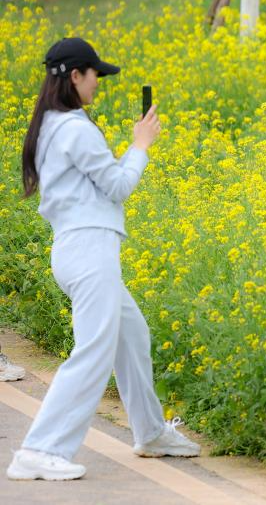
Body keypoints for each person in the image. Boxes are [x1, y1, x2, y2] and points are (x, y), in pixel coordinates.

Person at [7, 38, 200, 482]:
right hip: (90, 250)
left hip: (76, 248)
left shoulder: (51, 125)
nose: (99, 83)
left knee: (131, 335)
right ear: (76, 75)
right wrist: (141, 144)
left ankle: (151, 432)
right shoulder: (74, 127)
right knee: (93, 351)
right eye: (96, 74)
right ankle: (38, 449)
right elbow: (117, 186)